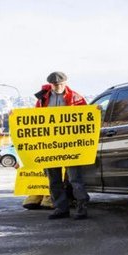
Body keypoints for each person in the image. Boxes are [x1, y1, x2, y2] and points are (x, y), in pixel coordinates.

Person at [36, 71, 90, 220]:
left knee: (75, 179)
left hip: (71, 145)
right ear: (51, 85)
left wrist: (96, 111)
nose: (57, 86)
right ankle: (61, 208)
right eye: (54, 84)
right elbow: (34, 118)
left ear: (65, 83)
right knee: (54, 179)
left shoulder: (77, 98)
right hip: (50, 146)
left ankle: (81, 207)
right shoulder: (42, 99)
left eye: (59, 84)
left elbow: (87, 117)